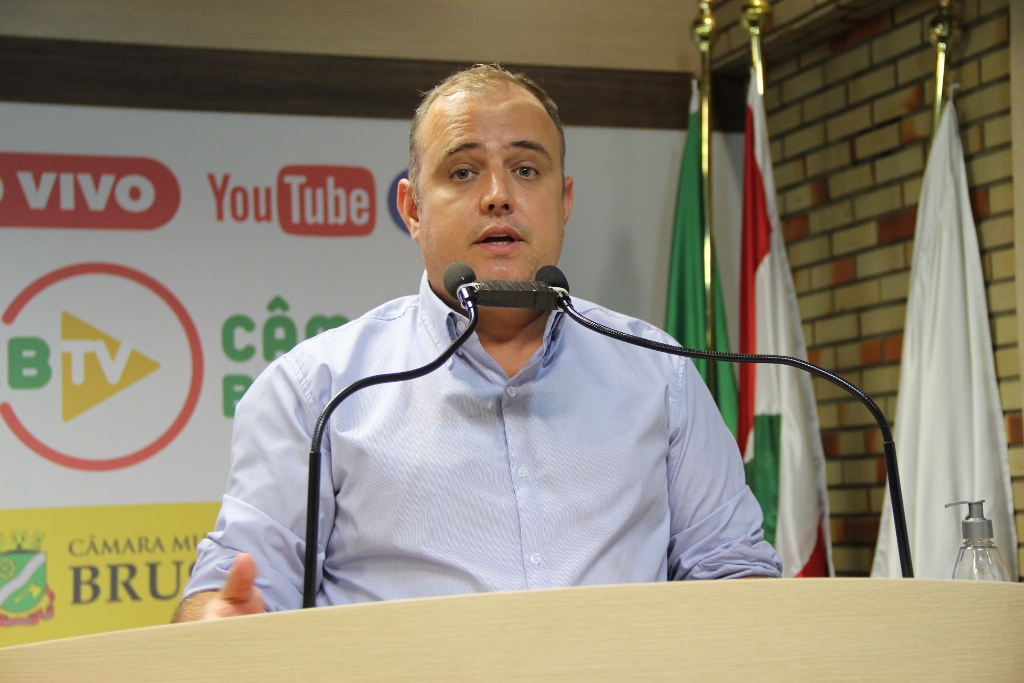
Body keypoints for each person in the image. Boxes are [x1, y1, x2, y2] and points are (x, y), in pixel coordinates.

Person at [175, 64, 781, 622]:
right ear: (412, 210)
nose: (497, 194)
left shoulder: (660, 373)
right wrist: (217, 623)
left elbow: (732, 570)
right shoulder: (316, 392)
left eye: (525, 169)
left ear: (563, 202)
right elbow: (231, 589)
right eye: (462, 172)